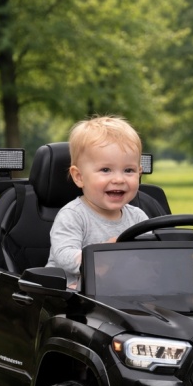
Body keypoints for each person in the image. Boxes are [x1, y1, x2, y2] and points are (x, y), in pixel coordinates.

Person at [46, 115, 149, 289]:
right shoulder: (73, 215)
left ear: (139, 173)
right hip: (71, 294)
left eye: (128, 170)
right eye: (106, 170)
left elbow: (151, 256)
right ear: (79, 177)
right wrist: (102, 255)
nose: (119, 179)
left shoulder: (138, 217)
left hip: (121, 291)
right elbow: (64, 255)